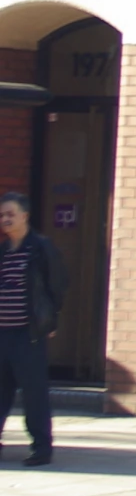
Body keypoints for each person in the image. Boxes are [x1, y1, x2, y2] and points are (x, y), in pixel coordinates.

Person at [0, 193, 64, 466]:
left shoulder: (40, 247)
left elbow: (58, 283)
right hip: (3, 333)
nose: (5, 219)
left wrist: (49, 320)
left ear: (24, 216)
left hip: (29, 334)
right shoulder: (3, 250)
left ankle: (41, 448)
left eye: (10, 214)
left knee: (33, 393)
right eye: (2, 215)